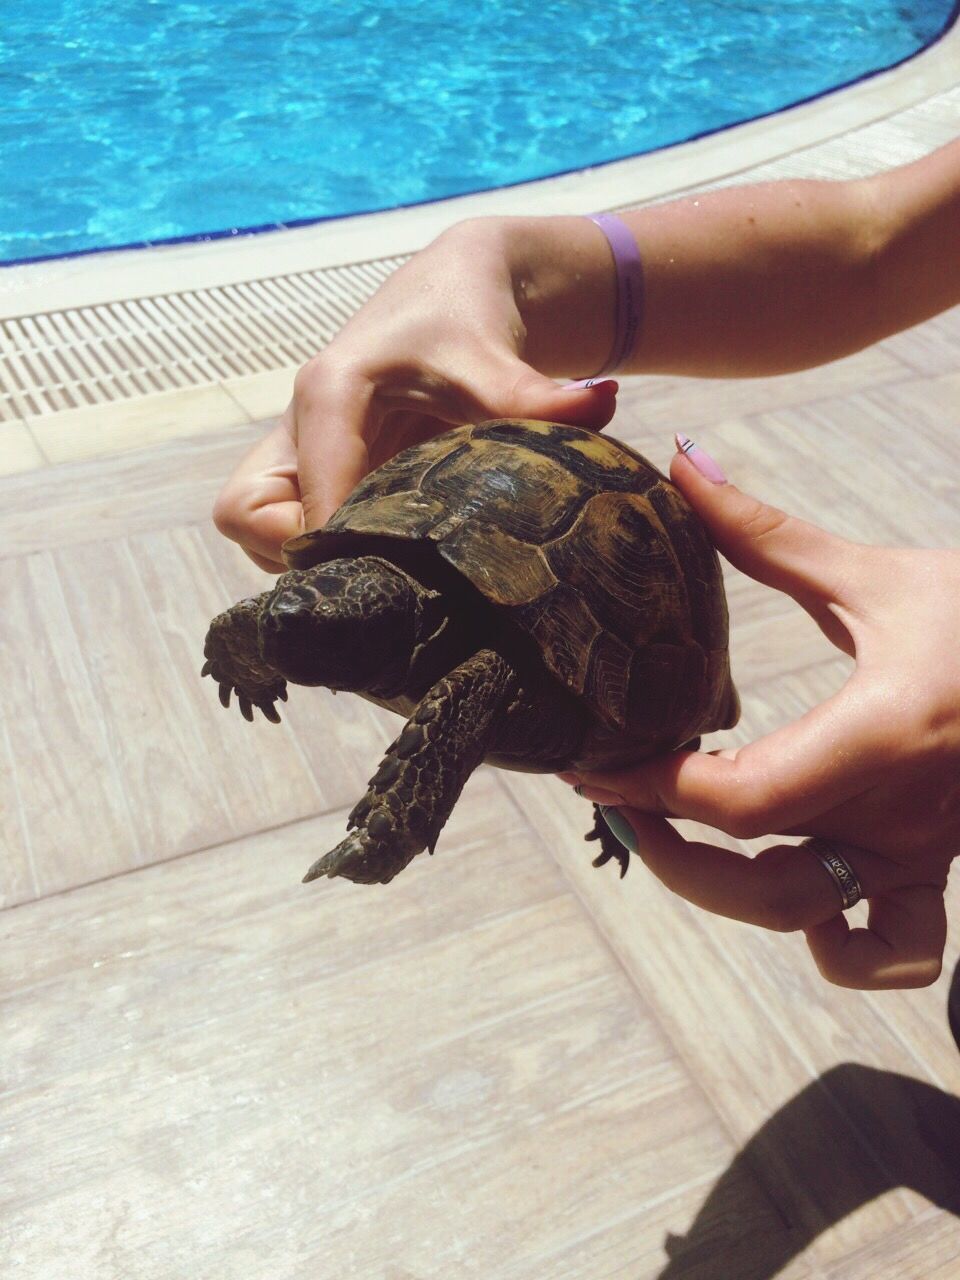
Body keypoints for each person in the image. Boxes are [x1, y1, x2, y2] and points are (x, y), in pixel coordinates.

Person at [214, 137, 960, 991]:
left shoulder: (476, 677)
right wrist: (501, 266)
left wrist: (395, 819)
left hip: (576, 635)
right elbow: (878, 246)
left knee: (480, 679)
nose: (290, 611)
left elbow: (471, 682)